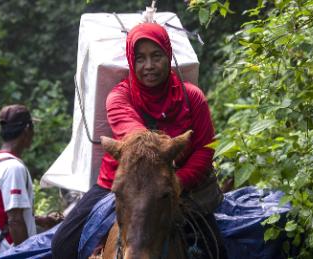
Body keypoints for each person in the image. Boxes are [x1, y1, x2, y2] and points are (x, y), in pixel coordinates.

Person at [51, 23, 227, 258]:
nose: (149, 66)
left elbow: (205, 148)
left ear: (168, 55)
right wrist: (168, 152)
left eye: (156, 56)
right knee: (62, 245)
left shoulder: (192, 97)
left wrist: (175, 183)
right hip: (120, 183)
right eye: (141, 58)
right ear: (131, 62)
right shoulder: (119, 98)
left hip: (174, 185)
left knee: (217, 249)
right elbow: (138, 140)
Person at [0, 104, 60, 255]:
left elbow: (4, 213)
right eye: (33, 128)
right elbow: (15, 220)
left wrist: (39, 220)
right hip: (9, 252)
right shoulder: (13, 168)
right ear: (26, 130)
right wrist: (27, 254)